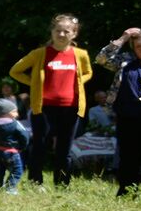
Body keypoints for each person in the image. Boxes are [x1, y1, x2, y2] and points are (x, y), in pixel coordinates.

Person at [9, 13, 93, 188]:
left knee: (65, 148)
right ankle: (35, 183)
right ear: (52, 32)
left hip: (71, 108)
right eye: (58, 30)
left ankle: (62, 184)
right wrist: (34, 83)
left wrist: (78, 82)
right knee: (40, 146)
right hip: (44, 108)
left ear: (74, 33)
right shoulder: (40, 53)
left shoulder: (81, 54)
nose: (61, 34)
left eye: (66, 31)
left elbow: (87, 73)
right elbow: (15, 71)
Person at [100, 28, 141, 201]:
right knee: (128, 160)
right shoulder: (127, 62)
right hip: (129, 120)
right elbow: (102, 59)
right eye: (137, 46)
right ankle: (127, 195)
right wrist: (124, 37)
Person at [0, 97, 30, 194]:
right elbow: (24, 136)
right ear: (7, 112)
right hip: (11, 152)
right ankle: (10, 188)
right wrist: (22, 147)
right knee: (17, 170)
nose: (17, 114)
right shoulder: (15, 123)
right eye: (15, 111)